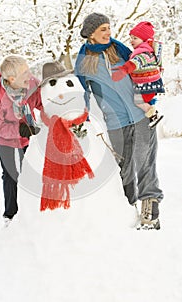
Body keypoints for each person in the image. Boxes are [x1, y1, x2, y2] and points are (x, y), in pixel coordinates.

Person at [75, 12, 164, 230]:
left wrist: (153, 84)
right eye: (103, 29)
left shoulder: (119, 48)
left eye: (109, 28)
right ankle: (127, 206)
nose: (108, 32)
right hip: (115, 120)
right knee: (124, 167)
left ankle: (150, 210)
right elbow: (81, 92)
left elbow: (144, 64)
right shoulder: (83, 60)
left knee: (145, 161)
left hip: (140, 114)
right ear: (91, 33)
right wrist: (81, 118)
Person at [0, 55, 42, 226]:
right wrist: (19, 130)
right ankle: (10, 215)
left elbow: (41, 102)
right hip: (5, 139)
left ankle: (32, 209)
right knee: (11, 174)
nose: (30, 75)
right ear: (12, 79)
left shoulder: (31, 84)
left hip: (26, 133)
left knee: (31, 170)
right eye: (24, 72)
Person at [112, 21, 165, 128]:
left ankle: (153, 114)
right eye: (131, 38)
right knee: (138, 101)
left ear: (144, 40)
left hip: (147, 86)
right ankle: (152, 115)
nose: (131, 41)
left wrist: (122, 71)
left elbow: (135, 63)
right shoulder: (144, 51)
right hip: (146, 85)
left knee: (138, 102)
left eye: (135, 38)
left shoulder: (144, 53)